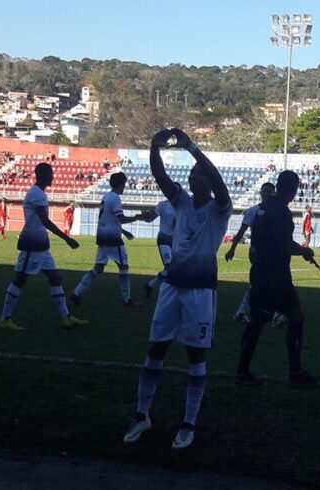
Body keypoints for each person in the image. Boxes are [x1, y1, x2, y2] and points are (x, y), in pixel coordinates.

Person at [123, 128, 232, 450]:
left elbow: (215, 176)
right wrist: (154, 146)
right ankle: (142, 415)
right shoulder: (180, 202)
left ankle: (188, 423)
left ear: (209, 183)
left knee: (195, 356)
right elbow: (159, 174)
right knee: (155, 350)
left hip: (200, 291)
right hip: (172, 288)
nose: (194, 180)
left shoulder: (220, 209)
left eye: (200, 177)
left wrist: (192, 147)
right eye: (192, 176)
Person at [235, 170, 317, 388]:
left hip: (261, 272)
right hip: (275, 277)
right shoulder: (281, 211)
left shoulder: (263, 207)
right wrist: (304, 251)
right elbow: (284, 244)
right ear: (293, 189)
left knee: (260, 322)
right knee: (292, 318)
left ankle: (244, 373)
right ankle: (293, 372)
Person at [0, 163, 88, 331]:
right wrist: (66, 238)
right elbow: (44, 220)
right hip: (32, 244)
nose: (53, 177)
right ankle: (5, 318)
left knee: (55, 278)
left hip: (42, 246)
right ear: (45, 175)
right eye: (51, 174)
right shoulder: (36, 194)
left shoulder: (38, 193)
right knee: (20, 280)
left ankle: (66, 317)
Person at [70, 173, 154, 307]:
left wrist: (124, 231)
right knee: (124, 267)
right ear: (122, 184)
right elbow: (120, 218)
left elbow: (110, 219)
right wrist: (138, 217)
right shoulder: (115, 198)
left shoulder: (107, 196)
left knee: (98, 268)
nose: (125, 187)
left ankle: (76, 293)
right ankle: (127, 300)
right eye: (125, 184)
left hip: (102, 235)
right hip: (112, 238)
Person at [224, 182, 286, 327]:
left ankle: (241, 312)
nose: (267, 194)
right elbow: (241, 232)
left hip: (270, 253)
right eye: (265, 191)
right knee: (269, 283)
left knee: (258, 285)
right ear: (260, 193)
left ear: (274, 193)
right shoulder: (253, 211)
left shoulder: (277, 211)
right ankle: (274, 315)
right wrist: (232, 248)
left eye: (270, 191)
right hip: (258, 253)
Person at [143, 199, 177, 299]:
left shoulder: (183, 204)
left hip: (177, 241)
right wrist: (145, 217)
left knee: (174, 268)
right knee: (169, 266)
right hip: (164, 239)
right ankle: (168, 292)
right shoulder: (163, 205)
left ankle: (150, 285)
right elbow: (151, 218)